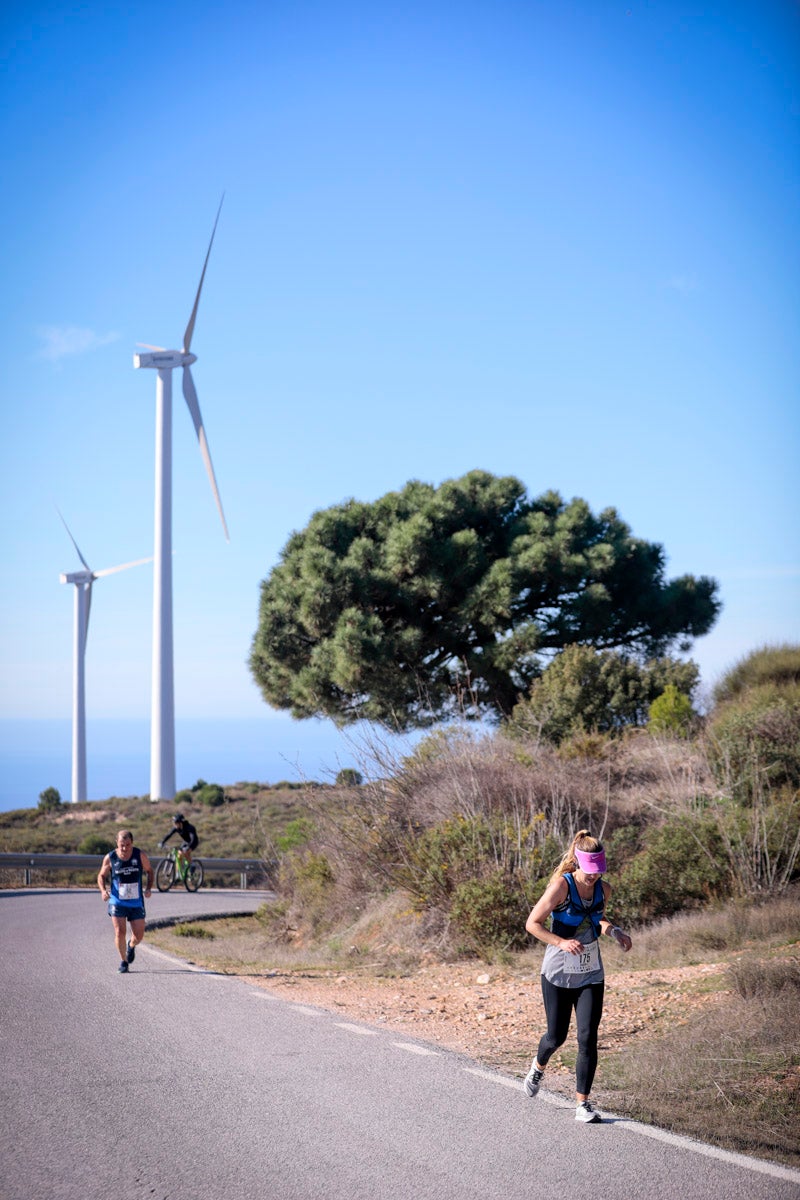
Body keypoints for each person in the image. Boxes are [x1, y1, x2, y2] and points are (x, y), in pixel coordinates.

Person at [522, 828, 632, 1123]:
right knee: (556, 1036)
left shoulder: (603, 889)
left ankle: (582, 1104)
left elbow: (598, 919)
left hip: (591, 973)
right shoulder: (561, 886)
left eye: (599, 871)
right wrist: (561, 942)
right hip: (558, 973)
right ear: (577, 862)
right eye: (589, 871)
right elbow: (532, 923)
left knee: (587, 1038)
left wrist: (615, 931)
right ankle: (538, 1066)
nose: (594, 877)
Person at [98, 830, 154, 974]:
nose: (124, 848)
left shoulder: (139, 855)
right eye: (122, 845)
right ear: (116, 842)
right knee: (119, 931)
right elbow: (101, 875)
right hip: (117, 901)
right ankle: (123, 961)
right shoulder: (110, 857)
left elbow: (149, 871)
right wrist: (103, 891)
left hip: (136, 902)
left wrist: (148, 888)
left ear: (132, 843)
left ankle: (131, 945)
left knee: (139, 936)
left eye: (128, 845)